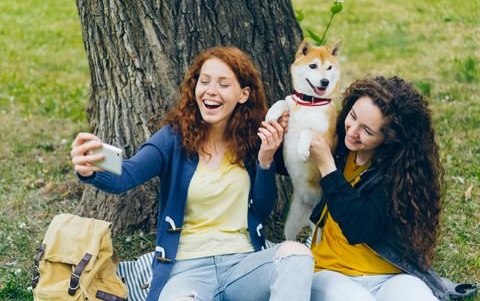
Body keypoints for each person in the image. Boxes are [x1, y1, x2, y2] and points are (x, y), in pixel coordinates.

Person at [71, 46, 313, 301]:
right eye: (204, 81)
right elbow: (127, 175)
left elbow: (261, 211)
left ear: (243, 94)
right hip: (186, 271)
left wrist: (266, 162)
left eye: (223, 84)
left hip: (242, 265)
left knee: (297, 256)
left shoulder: (252, 140)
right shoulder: (173, 139)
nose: (210, 90)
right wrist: (92, 168)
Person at [307, 76, 449, 301]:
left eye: (367, 131)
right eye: (352, 116)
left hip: (389, 276)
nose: (352, 131)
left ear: (389, 138)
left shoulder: (398, 174)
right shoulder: (338, 144)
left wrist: (327, 166)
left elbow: (360, 226)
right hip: (332, 271)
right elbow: (288, 163)